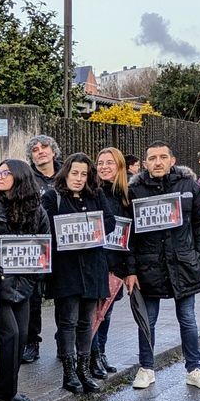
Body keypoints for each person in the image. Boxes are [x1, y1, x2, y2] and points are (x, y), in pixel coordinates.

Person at [126, 140, 200, 391]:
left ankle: (194, 369)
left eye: (162, 157)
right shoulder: (135, 191)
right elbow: (130, 235)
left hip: (184, 265)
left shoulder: (189, 186)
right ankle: (146, 368)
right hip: (149, 268)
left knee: (187, 319)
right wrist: (131, 269)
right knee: (148, 321)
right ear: (145, 163)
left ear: (172, 160)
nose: (157, 162)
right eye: (152, 158)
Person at [42, 154, 115, 395]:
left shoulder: (96, 195)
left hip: (93, 267)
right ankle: (69, 372)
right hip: (67, 270)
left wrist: (89, 226)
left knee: (87, 321)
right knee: (68, 321)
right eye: (75, 173)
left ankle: (84, 369)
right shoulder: (53, 196)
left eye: (84, 174)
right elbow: (47, 226)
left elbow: (110, 222)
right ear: (66, 172)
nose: (79, 178)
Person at [0, 160, 48, 401]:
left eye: (6, 173)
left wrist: (30, 281)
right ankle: (4, 392)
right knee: (10, 334)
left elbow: (43, 250)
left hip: (23, 284)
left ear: (20, 178)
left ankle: (8, 388)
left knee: (21, 336)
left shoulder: (37, 212)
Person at [90, 147, 131, 379]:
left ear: (120, 167)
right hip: (96, 262)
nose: (104, 166)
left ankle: (101, 352)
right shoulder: (94, 192)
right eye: (101, 162)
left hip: (115, 264)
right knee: (93, 313)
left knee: (107, 313)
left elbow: (130, 236)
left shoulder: (126, 196)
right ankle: (92, 355)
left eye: (109, 163)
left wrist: (126, 269)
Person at [22, 134, 63, 365]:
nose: (40, 151)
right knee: (33, 297)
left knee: (63, 295)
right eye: (35, 149)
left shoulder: (66, 174)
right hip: (36, 244)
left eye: (44, 147)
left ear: (53, 151)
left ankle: (63, 340)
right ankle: (32, 342)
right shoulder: (27, 178)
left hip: (63, 245)